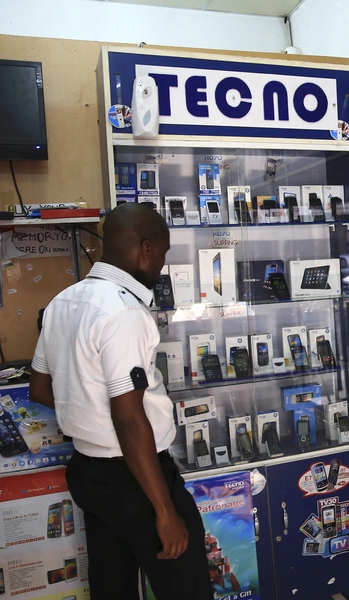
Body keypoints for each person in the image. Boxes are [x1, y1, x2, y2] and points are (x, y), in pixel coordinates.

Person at [29, 203, 212, 600]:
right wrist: (165, 513)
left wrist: (86, 408)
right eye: (162, 254)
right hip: (139, 482)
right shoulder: (124, 311)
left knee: (112, 588)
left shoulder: (63, 301)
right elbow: (129, 420)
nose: (162, 265)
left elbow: (39, 389)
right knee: (187, 587)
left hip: (88, 475)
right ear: (145, 249)